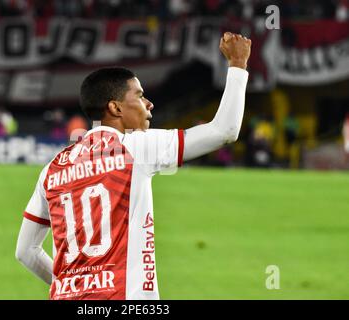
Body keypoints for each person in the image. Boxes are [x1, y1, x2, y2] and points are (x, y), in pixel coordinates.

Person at [16, 31, 251, 300]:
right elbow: (224, 131)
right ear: (115, 108)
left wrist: (71, 289)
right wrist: (238, 65)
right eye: (139, 96)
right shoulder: (136, 147)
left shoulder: (52, 169)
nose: (149, 103)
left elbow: (25, 251)